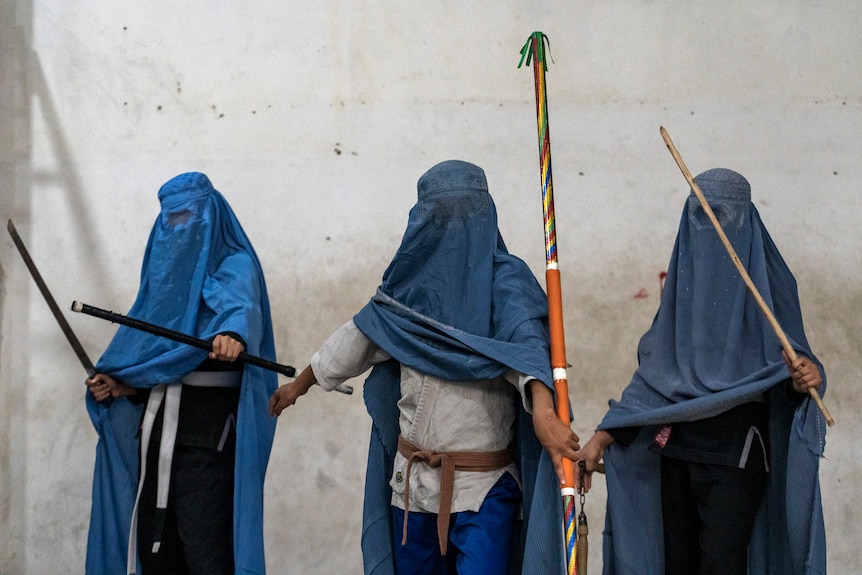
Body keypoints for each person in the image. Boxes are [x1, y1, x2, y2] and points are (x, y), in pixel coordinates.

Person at [269, 159, 580, 575]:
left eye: (464, 215)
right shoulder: (406, 287)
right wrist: (299, 386)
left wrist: (543, 411)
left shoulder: (506, 283)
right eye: (441, 215)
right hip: (414, 486)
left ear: (485, 215)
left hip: (485, 488)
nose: (454, 228)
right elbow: (356, 338)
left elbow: (529, 353)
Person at [578, 168, 828, 575]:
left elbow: (797, 365)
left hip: (738, 451)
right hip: (676, 450)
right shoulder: (682, 295)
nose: (711, 231)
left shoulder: (772, 286)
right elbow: (654, 381)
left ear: (748, 223)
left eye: (724, 217)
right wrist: (600, 440)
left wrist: (806, 378)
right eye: (701, 216)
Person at [84, 172, 278, 575]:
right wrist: (123, 384)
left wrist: (232, 335)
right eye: (169, 219)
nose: (178, 227)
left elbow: (241, 309)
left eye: (188, 215)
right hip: (154, 437)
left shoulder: (234, 264)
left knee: (204, 546)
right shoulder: (167, 273)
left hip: (207, 438)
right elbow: (156, 354)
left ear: (210, 215)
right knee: (157, 548)